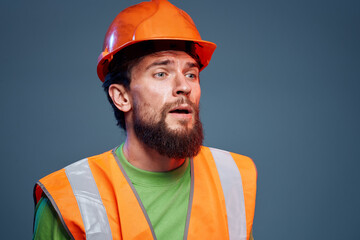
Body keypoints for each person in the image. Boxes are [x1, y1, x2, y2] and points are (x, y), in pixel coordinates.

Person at [33, 0, 257, 239]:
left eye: (191, 74)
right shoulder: (71, 199)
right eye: (161, 73)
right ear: (122, 97)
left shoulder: (232, 178)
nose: (184, 87)